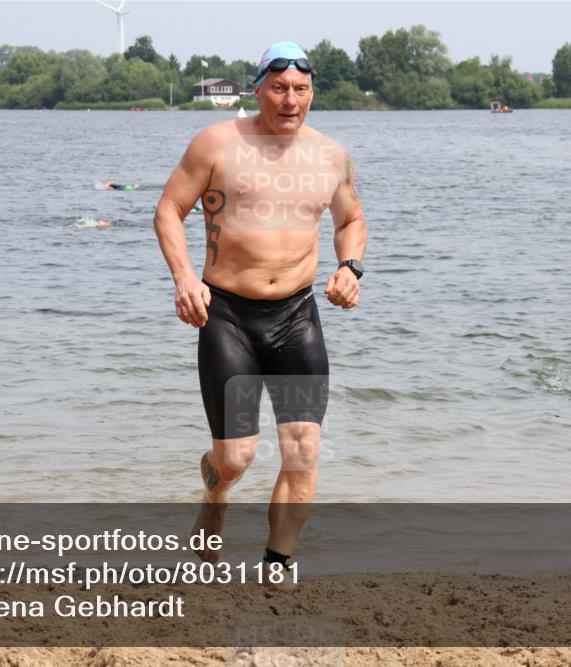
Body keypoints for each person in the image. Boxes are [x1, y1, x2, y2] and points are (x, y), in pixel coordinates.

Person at [153, 41, 367, 586]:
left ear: (312, 91)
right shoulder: (217, 143)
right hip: (227, 317)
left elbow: (351, 220)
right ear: (258, 90)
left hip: (297, 317)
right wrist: (183, 280)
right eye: (279, 89)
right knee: (237, 458)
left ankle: (277, 563)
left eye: (300, 89)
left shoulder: (331, 155)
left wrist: (351, 266)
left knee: (303, 451)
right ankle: (214, 495)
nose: (290, 100)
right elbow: (169, 210)